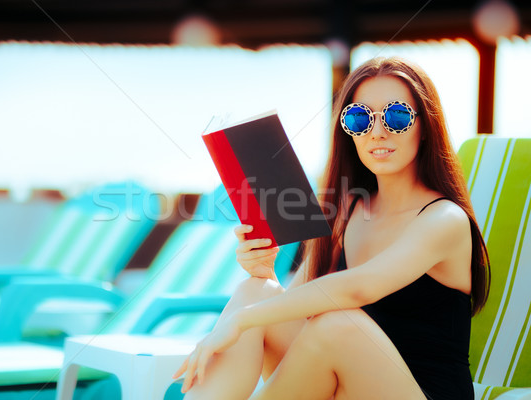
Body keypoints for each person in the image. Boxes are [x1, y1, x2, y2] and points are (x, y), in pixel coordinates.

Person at [173, 56, 491, 400]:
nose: (377, 132)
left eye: (397, 116)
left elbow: (359, 289)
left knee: (337, 324)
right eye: (359, 119)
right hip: (349, 387)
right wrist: (264, 273)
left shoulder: (444, 219)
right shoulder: (348, 211)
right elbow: (297, 305)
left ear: (425, 126)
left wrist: (239, 321)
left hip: (422, 393)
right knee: (257, 291)